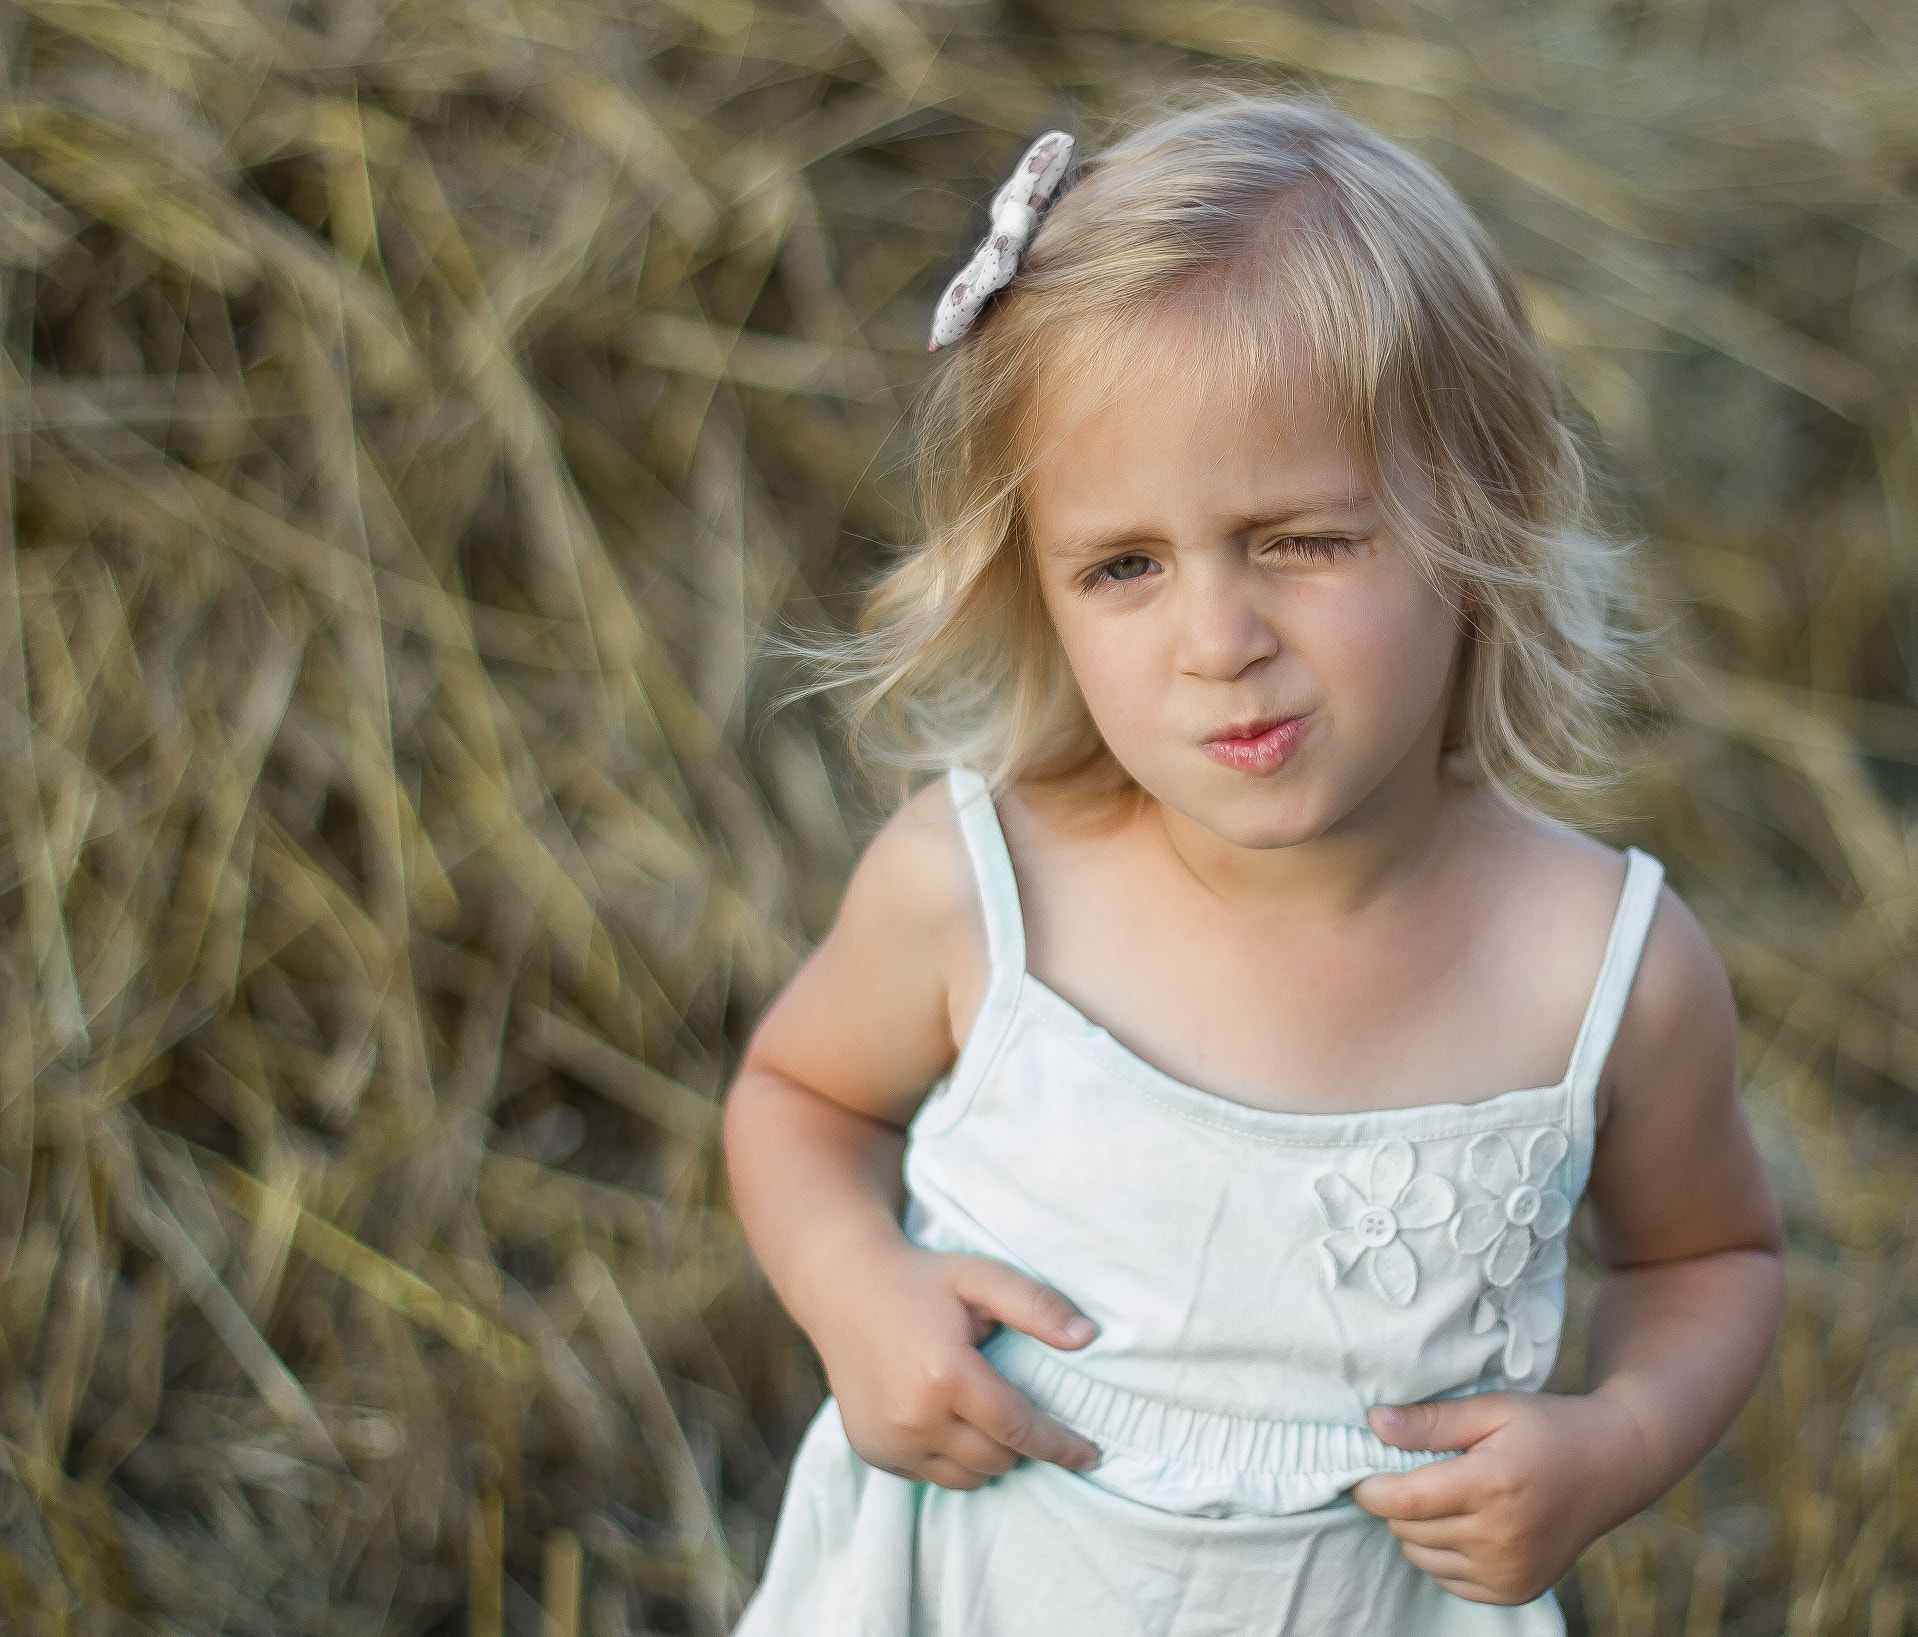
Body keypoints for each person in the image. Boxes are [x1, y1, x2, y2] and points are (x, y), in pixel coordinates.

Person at [723, 94, 1785, 1635]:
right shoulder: (982, 889)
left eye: (1300, 538)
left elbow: (1709, 1255)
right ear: (1037, 584)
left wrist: (1613, 1442)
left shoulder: (1595, 966)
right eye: (1125, 566)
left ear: (1478, 518)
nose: (1218, 643)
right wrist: (855, 1294)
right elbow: (795, 1099)